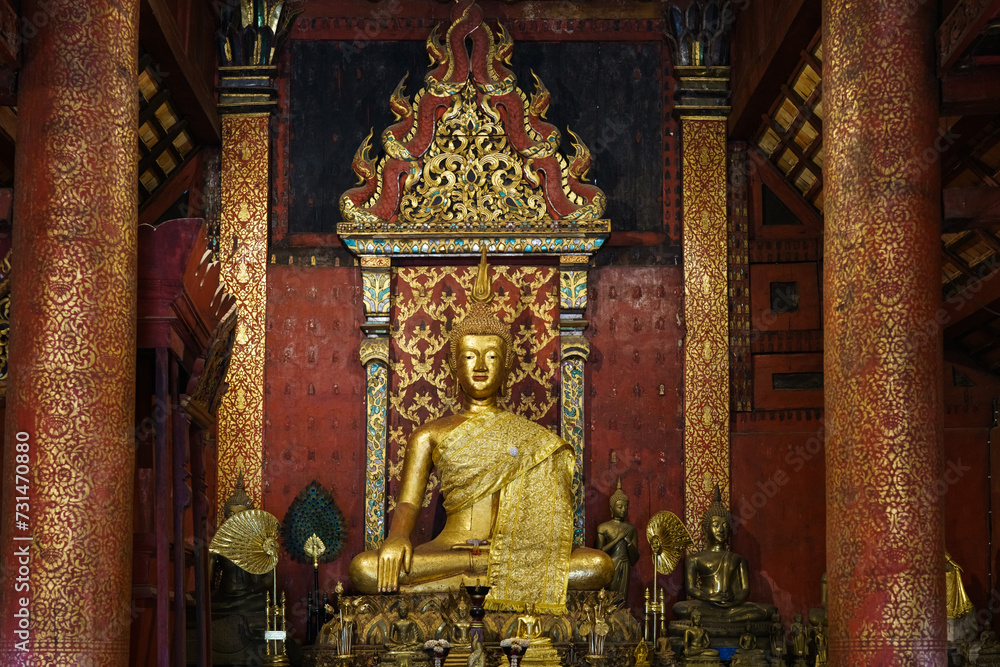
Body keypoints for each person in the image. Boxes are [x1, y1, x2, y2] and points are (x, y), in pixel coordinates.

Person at [350, 251, 612, 612]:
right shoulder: (430, 434)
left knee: (596, 565)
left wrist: (509, 553)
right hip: (448, 550)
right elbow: (409, 502)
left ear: (505, 367)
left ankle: (472, 576)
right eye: (470, 356)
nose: (480, 366)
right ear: (455, 366)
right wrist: (397, 537)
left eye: (491, 356)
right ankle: (482, 573)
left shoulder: (531, 438)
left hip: (512, 551)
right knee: (365, 568)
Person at [672, 486, 776, 622]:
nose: (721, 529)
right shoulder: (694, 559)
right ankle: (728, 620)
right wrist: (710, 597)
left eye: (725, 526)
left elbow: (745, 590)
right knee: (681, 608)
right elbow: (691, 588)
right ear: (705, 529)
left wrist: (734, 601)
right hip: (707, 605)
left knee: (769, 610)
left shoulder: (738, 559)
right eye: (716, 525)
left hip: (732, 606)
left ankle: (726, 618)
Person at [595, 479, 640, 601]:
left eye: (626, 507)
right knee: (609, 597)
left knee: (621, 598)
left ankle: (621, 616)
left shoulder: (631, 529)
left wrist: (628, 542)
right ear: (612, 508)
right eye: (620, 507)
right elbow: (599, 553)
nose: (623, 510)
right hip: (609, 565)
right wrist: (618, 539)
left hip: (625, 565)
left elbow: (635, 557)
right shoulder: (603, 527)